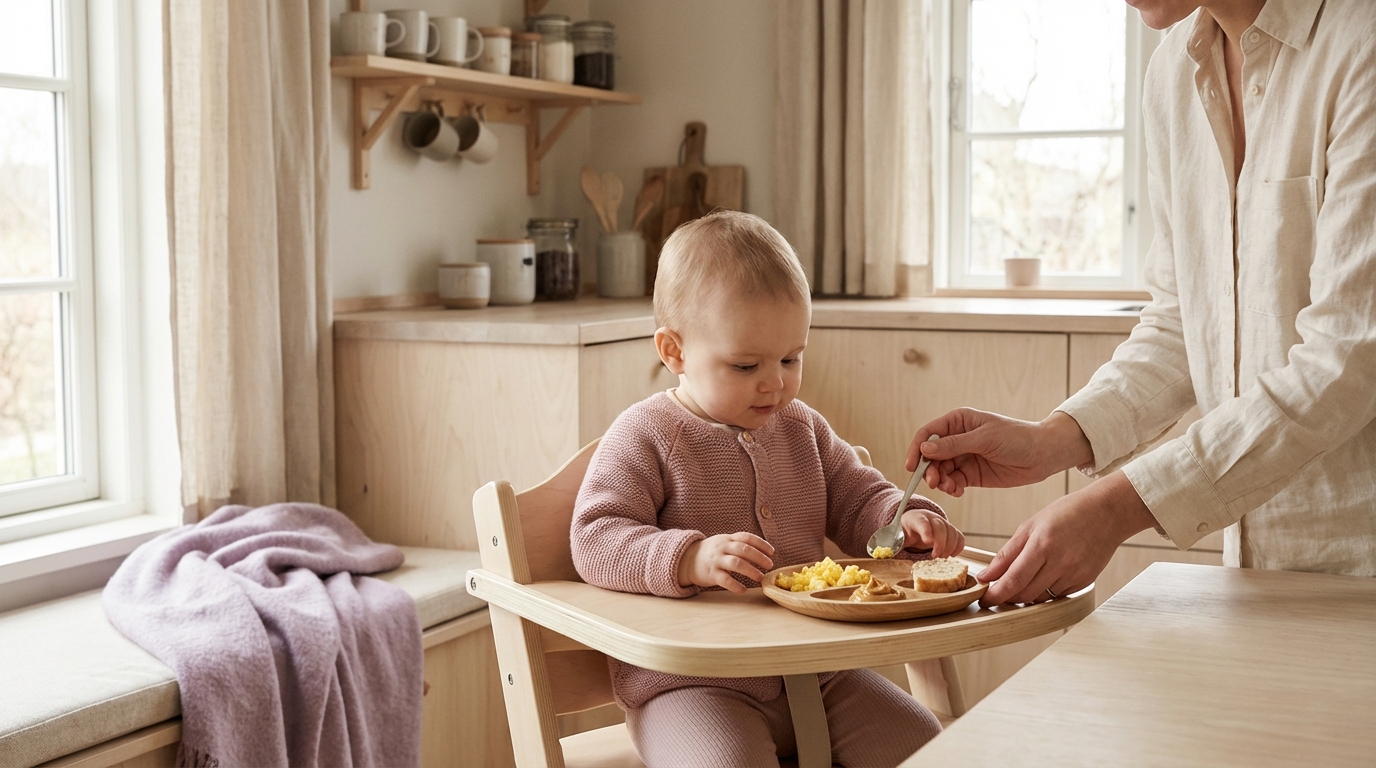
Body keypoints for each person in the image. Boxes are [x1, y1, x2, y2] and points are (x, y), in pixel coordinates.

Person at [909, 0, 1376, 608]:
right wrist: (1051, 440)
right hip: (1255, 573)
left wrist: (1118, 506)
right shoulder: (1173, 71)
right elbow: (1183, 321)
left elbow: (1347, 360)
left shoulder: (1360, 45)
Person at [571, 211, 963, 768]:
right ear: (674, 351)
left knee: (927, 746)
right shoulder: (646, 434)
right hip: (692, 684)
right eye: (746, 364)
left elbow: (857, 496)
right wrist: (689, 558)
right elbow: (594, 537)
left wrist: (903, 520)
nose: (775, 382)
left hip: (819, 671)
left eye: (790, 358)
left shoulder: (801, 427)